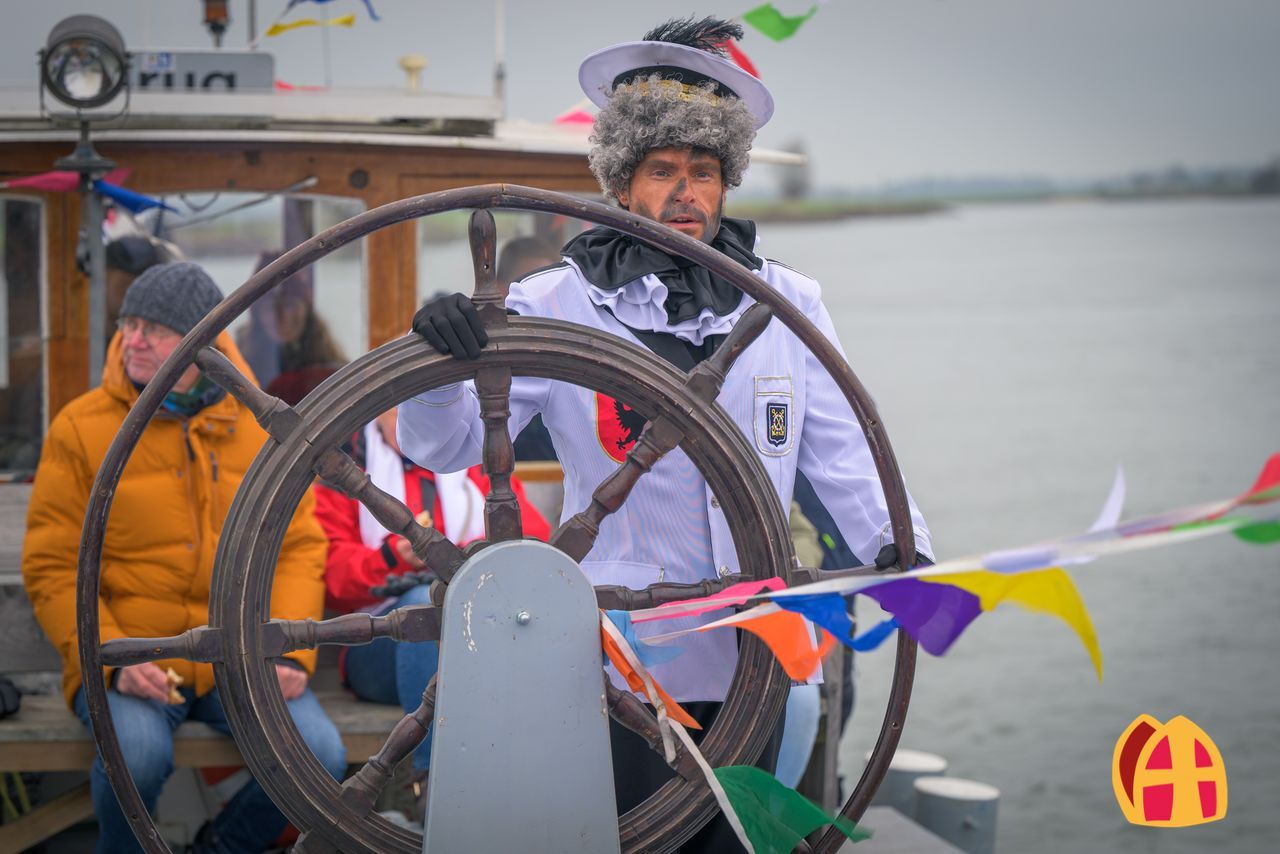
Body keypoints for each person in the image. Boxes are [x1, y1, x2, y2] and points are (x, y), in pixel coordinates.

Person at [400, 17, 933, 849]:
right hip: (618, 655)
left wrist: (906, 554)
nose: (686, 192)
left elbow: (844, 456)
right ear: (622, 182)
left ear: (727, 183)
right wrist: (438, 365)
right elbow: (446, 447)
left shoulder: (790, 303)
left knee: (734, 844)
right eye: (662, 170)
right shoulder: (555, 303)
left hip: (758, 648)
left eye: (703, 171)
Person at [22, 262, 347, 854]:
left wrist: (289, 651)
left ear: (202, 342)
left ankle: (218, 849)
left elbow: (298, 546)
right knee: (137, 758)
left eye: (154, 329)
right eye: (128, 324)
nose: (133, 340)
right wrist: (111, 658)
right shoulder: (81, 427)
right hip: (133, 655)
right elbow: (53, 565)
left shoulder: (262, 425)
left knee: (321, 757)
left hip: (240, 654)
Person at [312, 406, 550, 777]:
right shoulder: (346, 466)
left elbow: (532, 536)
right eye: (398, 410)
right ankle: (436, 777)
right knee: (425, 607)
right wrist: (392, 557)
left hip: (479, 634)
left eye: (417, 408)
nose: (409, 420)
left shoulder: (473, 462)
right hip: (375, 646)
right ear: (378, 412)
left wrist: (462, 555)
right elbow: (332, 578)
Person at [235, 250, 346, 405]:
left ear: (306, 310)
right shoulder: (237, 372)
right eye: (270, 307)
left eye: (290, 304)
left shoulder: (335, 372)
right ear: (257, 316)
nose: (282, 317)